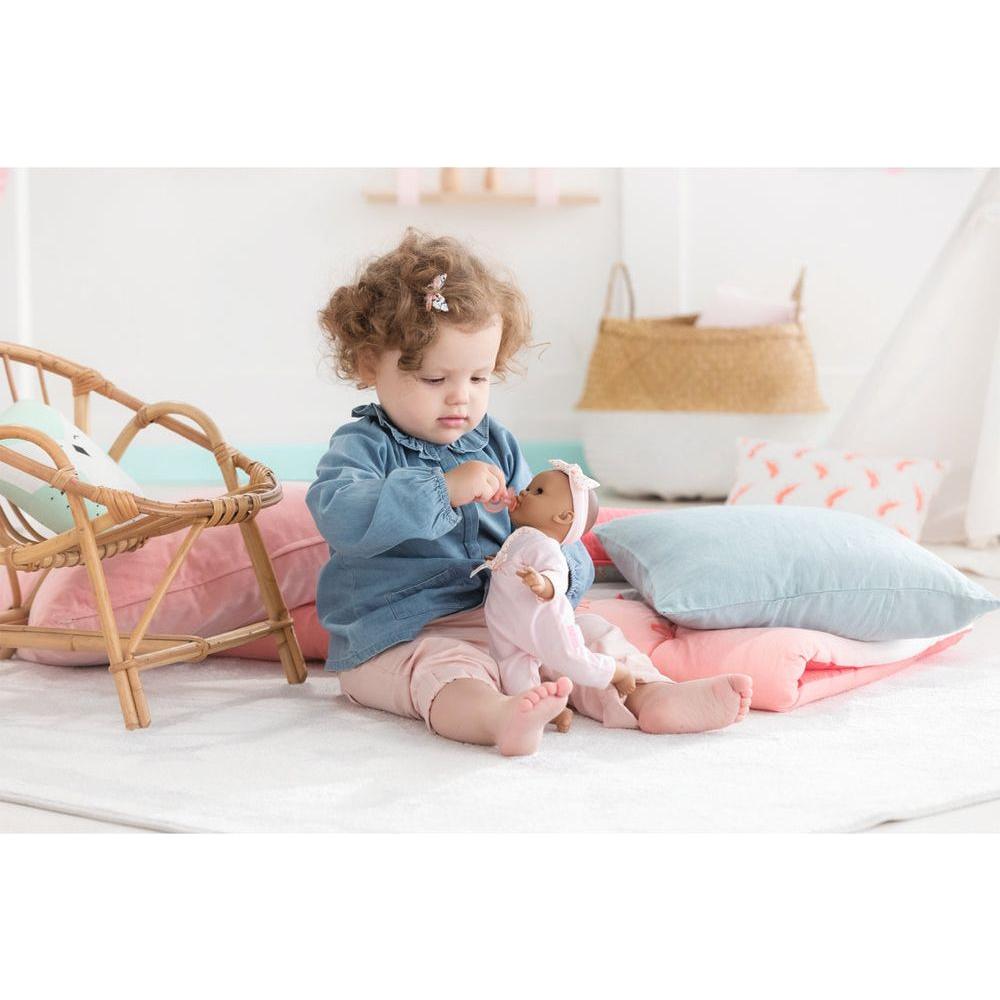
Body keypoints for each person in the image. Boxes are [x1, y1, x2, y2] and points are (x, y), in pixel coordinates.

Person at [306, 229, 752, 756]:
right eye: (434, 379)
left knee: (590, 634)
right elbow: (340, 514)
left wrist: (554, 571)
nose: (461, 397)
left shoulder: (495, 442)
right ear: (368, 364)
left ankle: (650, 695)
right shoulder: (362, 446)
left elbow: (539, 530)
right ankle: (498, 716)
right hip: (399, 633)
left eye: (479, 378)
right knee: (445, 671)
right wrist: (441, 489)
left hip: (501, 618)